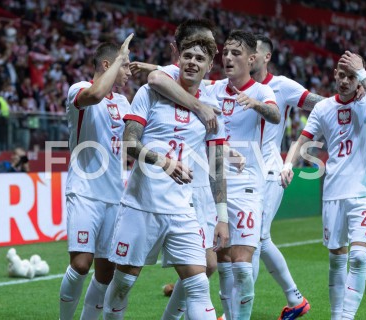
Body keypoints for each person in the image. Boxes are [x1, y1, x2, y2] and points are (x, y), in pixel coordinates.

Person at [104, 34, 228, 320]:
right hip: (141, 204)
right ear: (179, 59)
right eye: (188, 56)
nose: (192, 63)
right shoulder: (149, 94)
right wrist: (164, 162)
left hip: (181, 210)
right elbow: (130, 143)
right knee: (123, 283)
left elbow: (216, 165)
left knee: (198, 285)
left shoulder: (212, 110)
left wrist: (222, 216)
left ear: (209, 66)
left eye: (200, 59)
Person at [281, 51, 366, 320]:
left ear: (359, 80)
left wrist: (361, 70)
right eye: (341, 75)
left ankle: (345, 317)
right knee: (337, 259)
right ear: (334, 76)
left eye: (350, 76)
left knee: (360, 257)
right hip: (334, 191)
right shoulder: (323, 108)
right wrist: (288, 164)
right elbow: (303, 140)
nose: (344, 81)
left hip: (365, 191)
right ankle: (335, 315)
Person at [248, 34, 326, 319]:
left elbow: (321, 105)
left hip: (269, 172)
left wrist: (349, 100)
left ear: (265, 57)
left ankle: (235, 313)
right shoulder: (233, 86)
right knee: (260, 239)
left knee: (252, 239)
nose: (246, 55)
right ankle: (296, 301)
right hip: (242, 176)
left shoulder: (281, 86)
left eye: (251, 51)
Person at [205, 30, 279, 320]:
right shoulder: (213, 89)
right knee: (222, 262)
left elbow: (274, 114)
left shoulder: (261, 91)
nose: (228, 58)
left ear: (251, 59)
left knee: (242, 266)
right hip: (215, 186)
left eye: (236, 53)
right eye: (225, 53)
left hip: (248, 186)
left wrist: (256, 104)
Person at [58, 34, 133, 320]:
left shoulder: (125, 103)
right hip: (85, 191)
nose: (128, 72)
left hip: (115, 195)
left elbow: (132, 145)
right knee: (80, 264)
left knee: (105, 272)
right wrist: (119, 56)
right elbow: (96, 95)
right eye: (124, 66)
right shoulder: (80, 89)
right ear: (107, 64)